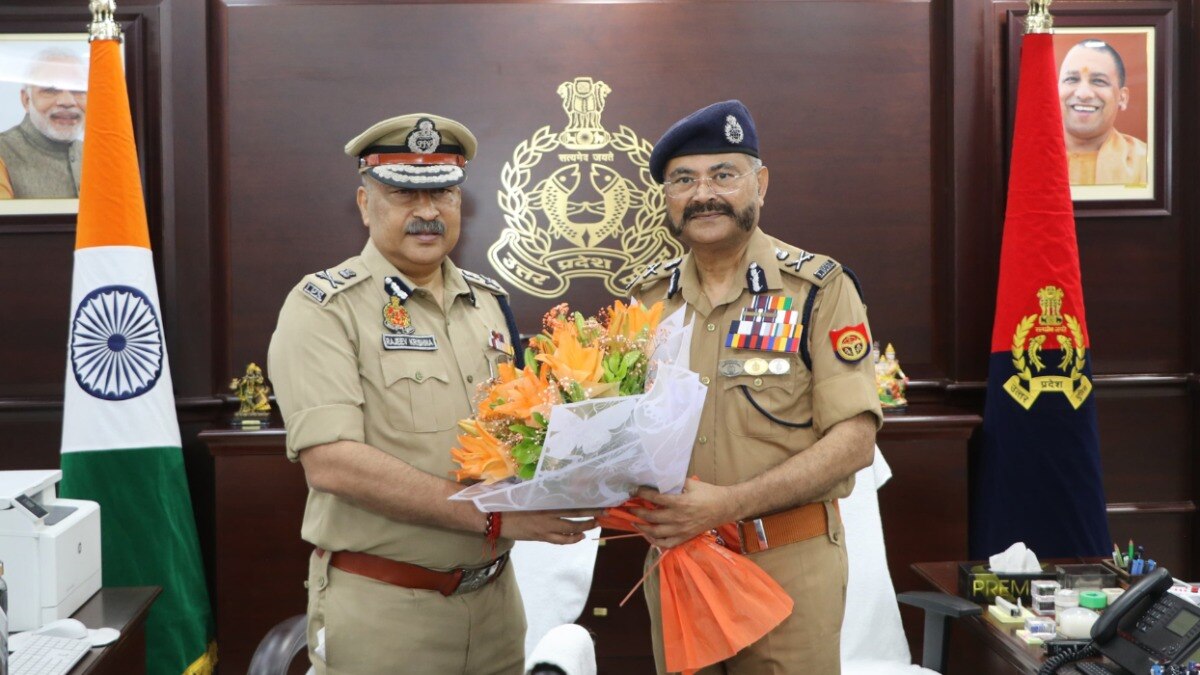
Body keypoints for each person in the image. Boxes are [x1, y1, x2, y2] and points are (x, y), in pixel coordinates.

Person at [267, 113, 601, 675]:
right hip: (388, 612)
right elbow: (333, 466)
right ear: (364, 203)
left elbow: (517, 437)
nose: (427, 211)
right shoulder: (325, 307)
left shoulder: (489, 304)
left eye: (443, 191)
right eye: (402, 192)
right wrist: (492, 520)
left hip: (497, 607)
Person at [627, 100, 882, 674]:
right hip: (681, 565)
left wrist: (728, 505)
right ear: (666, 198)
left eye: (724, 174)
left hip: (787, 565)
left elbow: (855, 441)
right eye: (683, 180)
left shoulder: (818, 288)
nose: (703, 194)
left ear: (760, 184)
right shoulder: (646, 303)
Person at [0, 48, 88, 199]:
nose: (67, 102)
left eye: (78, 90)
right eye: (51, 90)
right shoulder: (4, 153)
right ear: (26, 100)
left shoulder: (99, 156)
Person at [1058, 39, 1148, 186]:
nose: (1083, 94)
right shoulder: (1028, 159)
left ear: (1122, 98)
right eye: (1072, 79)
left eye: (1098, 81)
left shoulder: (1147, 163)